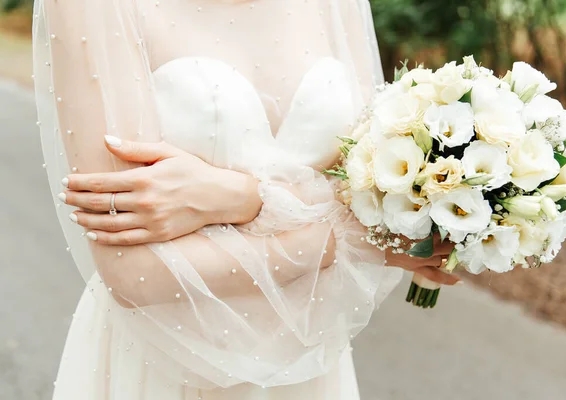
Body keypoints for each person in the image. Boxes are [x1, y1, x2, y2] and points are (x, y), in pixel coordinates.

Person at [33, 0, 457, 398]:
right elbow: (135, 274)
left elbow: (368, 186)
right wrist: (348, 243)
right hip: (162, 367)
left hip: (310, 366)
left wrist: (241, 197)